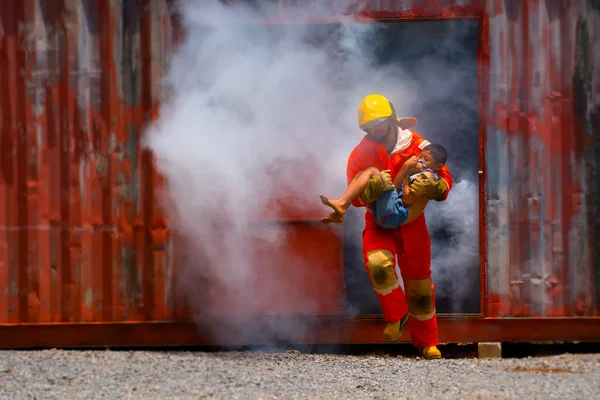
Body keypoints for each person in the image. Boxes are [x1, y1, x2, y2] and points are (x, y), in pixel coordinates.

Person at [343, 94, 454, 360]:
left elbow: (445, 178)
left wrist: (437, 186)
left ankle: (428, 343)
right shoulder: (360, 154)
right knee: (378, 265)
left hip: (413, 225)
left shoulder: (419, 145)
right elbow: (356, 198)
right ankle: (397, 316)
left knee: (420, 289)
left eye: (380, 123)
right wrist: (371, 189)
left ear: (392, 118)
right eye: (369, 126)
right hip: (380, 222)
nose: (376, 129)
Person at [319, 143, 449, 228]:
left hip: (396, 215)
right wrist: (405, 169)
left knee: (372, 171)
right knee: (366, 174)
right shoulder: (417, 172)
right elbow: (396, 188)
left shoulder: (427, 176)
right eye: (420, 156)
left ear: (438, 167)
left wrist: (408, 175)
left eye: (426, 159)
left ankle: (342, 205)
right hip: (389, 212)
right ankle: (341, 207)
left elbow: (407, 199)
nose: (421, 160)